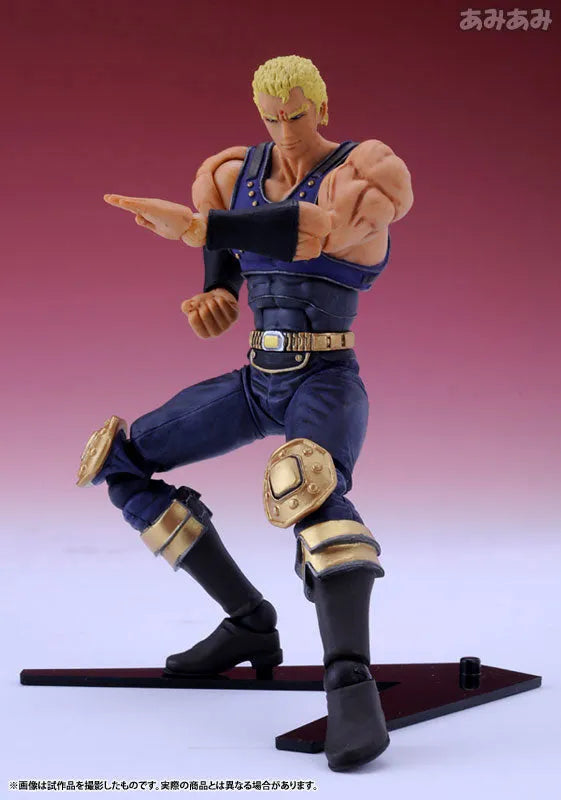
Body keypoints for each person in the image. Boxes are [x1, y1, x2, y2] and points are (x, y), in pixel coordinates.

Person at [77, 55, 413, 771]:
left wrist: (196, 228)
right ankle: (249, 623)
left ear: (322, 106)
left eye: (296, 115)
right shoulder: (232, 173)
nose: (284, 130)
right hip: (257, 378)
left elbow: (311, 231)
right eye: (270, 117)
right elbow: (231, 255)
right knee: (119, 461)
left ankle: (349, 680)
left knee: (311, 490)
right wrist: (217, 295)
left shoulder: (369, 171)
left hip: (325, 378)